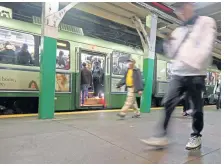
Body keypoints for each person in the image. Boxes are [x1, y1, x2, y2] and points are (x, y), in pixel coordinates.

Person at [141, 2, 216, 150]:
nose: (180, 12)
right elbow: (172, 55)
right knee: (168, 102)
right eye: (178, 10)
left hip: (196, 74)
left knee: (196, 109)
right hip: (178, 73)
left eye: (183, 8)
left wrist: (190, 62)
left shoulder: (206, 22)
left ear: (191, 6)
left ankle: (196, 136)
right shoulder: (178, 31)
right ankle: (161, 136)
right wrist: (168, 45)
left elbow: (206, 47)